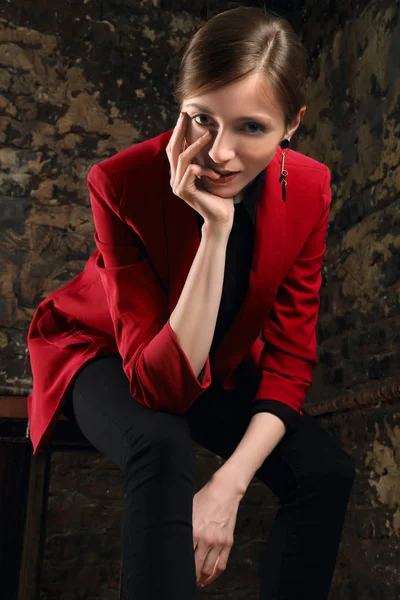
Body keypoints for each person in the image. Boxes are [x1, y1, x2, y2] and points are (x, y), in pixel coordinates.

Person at [26, 6, 356, 599]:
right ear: (181, 107)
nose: (218, 153)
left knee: (325, 472)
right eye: (201, 119)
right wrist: (216, 231)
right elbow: (160, 390)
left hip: (216, 357)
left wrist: (228, 486)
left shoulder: (308, 188)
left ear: (292, 125)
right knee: (160, 444)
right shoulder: (121, 181)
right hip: (102, 350)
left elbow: (288, 364)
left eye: (251, 127)